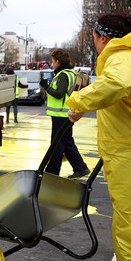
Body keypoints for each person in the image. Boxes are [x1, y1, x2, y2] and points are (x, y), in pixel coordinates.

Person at [67, 12, 131, 261]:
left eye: (93, 37)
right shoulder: (125, 56)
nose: (94, 43)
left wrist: (79, 100)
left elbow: (118, 85)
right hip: (124, 156)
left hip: (130, 158)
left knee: (129, 229)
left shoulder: (121, 57)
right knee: (126, 228)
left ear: (103, 38)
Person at [41, 48, 89, 179]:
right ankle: (80, 168)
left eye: (52, 61)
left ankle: (52, 171)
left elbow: (59, 94)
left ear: (58, 62)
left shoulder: (63, 75)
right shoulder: (70, 73)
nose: (51, 64)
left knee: (57, 143)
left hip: (60, 115)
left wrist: (46, 86)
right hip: (65, 114)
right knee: (67, 142)